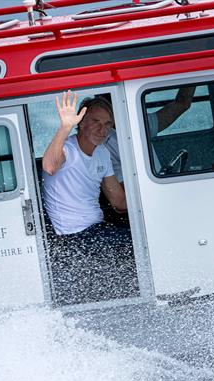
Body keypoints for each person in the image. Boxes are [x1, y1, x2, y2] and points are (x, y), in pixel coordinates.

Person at [41, 90, 136, 304]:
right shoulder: (67, 150)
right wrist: (64, 127)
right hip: (74, 237)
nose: (102, 129)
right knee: (138, 243)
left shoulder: (102, 153)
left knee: (143, 235)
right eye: (95, 122)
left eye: (108, 124)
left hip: (95, 230)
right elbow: (49, 165)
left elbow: (119, 202)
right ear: (81, 123)